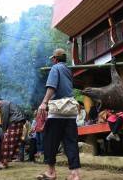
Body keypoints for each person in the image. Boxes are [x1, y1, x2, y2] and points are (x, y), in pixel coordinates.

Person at [37, 48, 81, 180]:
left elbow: (52, 86)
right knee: (71, 142)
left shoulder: (55, 68)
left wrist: (44, 102)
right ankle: (75, 174)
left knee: (50, 140)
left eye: (53, 59)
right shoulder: (68, 71)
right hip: (70, 111)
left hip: (58, 111)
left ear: (55, 59)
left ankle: (51, 172)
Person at [0, 99, 25, 169]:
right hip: (19, 121)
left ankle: (3, 162)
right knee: (13, 142)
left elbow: (4, 117)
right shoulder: (9, 103)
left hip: (15, 122)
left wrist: (4, 130)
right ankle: (6, 161)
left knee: (6, 142)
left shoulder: (3, 103)